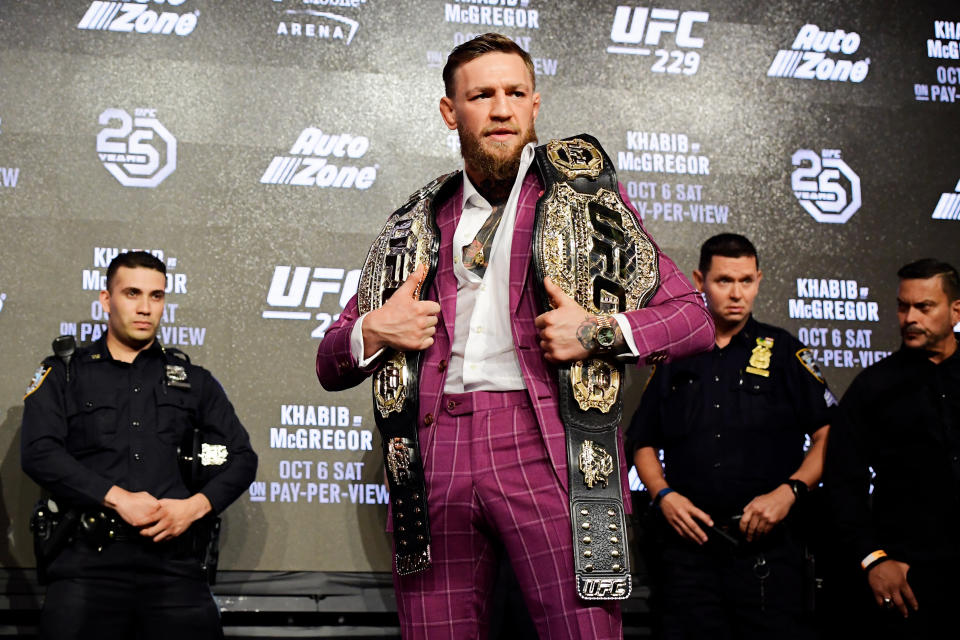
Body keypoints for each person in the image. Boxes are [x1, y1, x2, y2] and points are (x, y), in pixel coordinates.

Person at [315, 33, 714, 639]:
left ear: (534, 104)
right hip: (433, 455)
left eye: (515, 93)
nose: (501, 109)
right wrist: (373, 328)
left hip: (546, 443)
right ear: (451, 111)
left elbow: (693, 317)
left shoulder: (584, 201)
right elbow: (329, 360)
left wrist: (598, 331)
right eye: (481, 95)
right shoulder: (414, 220)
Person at [21, 251, 258, 639]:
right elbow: (38, 451)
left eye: (157, 296)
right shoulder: (64, 373)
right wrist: (117, 497)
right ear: (106, 299)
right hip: (86, 565)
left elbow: (243, 459)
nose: (145, 307)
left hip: (174, 567)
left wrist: (194, 508)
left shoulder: (194, 380)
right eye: (132, 293)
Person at [628, 233, 835, 639]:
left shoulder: (784, 351)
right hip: (689, 553)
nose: (736, 293)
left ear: (758, 279)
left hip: (769, 552)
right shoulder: (676, 355)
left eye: (745, 281)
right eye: (724, 281)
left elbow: (829, 435)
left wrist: (789, 492)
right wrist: (663, 496)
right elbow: (642, 440)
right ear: (699, 279)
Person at [824, 258, 960, 639]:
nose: (910, 317)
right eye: (903, 306)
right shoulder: (873, 388)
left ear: (955, 310)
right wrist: (873, 559)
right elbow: (841, 483)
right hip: (909, 580)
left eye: (924, 307)